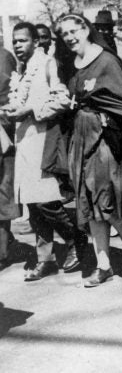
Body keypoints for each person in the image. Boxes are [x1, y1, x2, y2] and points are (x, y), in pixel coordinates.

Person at [56, 13, 122, 287]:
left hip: (103, 139)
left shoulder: (106, 60)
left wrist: (105, 115)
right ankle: (103, 265)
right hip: (79, 139)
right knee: (87, 202)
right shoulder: (73, 64)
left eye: (73, 31)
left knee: (107, 202)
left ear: (85, 28)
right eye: (64, 34)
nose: (70, 37)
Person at [2, 22, 87, 281]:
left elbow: (62, 99)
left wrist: (30, 110)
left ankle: (75, 238)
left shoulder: (47, 64)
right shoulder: (19, 71)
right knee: (32, 204)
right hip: (24, 143)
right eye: (15, 41)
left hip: (43, 141)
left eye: (23, 40)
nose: (18, 45)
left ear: (35, 42)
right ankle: (45, 258)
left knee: (45, 201)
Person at [0, 43, 19, 271]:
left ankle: (2, 252)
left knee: (2, 193)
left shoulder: (3, 57)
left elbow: (8, 100)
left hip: (2, 132)